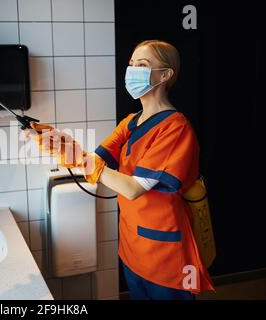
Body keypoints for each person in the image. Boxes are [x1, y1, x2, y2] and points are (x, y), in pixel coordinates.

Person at [25, 40, 215, 300]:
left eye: (143, 65)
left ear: (165, 74)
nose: (133, 70)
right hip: (131, 246)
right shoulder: (131, 122)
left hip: (166, 253)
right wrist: (61, 142)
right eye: (131, 64)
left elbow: (133, 187)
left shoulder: (175, 128)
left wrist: (81, 159)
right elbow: (96, 161)